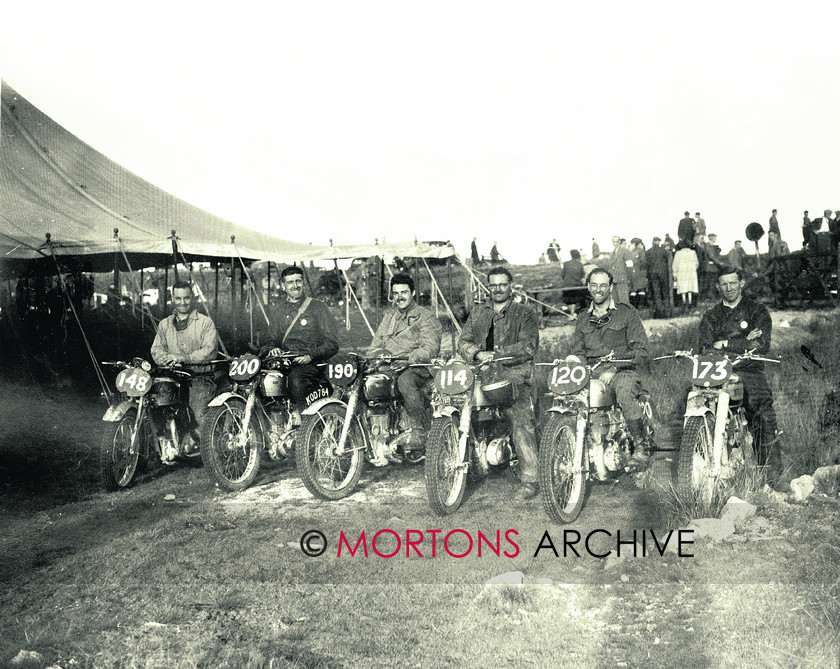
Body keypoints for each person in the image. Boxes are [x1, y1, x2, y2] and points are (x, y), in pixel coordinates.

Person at [458, 266, 540, 500]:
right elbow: (463, 341)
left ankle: (530, 479)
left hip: (515, 372)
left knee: (518, 415)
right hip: (482, 370)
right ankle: (467, 463)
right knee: (458, 403)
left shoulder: (524, 312)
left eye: (502, 284)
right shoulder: (478, 313)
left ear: (510, 285)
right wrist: (476, 353)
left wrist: (496, 354)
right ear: (488, 287)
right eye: (493, 285)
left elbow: (528, 346)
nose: (497, 289)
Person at [699, 267, 783, 483]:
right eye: (724, 284)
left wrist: (725, 343)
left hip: (749, 369)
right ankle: (700, 466)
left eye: (733, 283)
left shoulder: (757, 311)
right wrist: (744, 343)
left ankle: (772, 476)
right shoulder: (711, 316)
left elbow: (760, 345)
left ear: (741, 283)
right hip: (718, 370)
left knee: (762, 410)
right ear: (718, 287)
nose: (729, 288)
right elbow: (706, 348)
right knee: (696, 404)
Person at [571, 268, 651, 467]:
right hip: (591, 371)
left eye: (603, 285)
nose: (598, 290)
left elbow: (640, 349)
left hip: (623, 370)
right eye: (594, 285)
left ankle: (641, 446)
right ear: (588, 287)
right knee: (569, 398)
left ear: (611, 288)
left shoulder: (626, 312)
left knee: (624, 393)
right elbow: (578, 350)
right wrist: (579, 366)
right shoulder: (582, 317)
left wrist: (614, 367)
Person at [369, 273, 442, 451]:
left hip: (418, 367)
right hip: (388, 366)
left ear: (413, 293)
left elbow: (430, 348)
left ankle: (419, 431)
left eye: (404, 292)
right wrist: (372, 359)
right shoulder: (389, 318)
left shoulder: (426, 317)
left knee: (405, 381)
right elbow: (375, 345)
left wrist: (408, 360)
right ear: (391, 295)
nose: (399, 297)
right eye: (395, 293)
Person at [151, 280, 219, 452]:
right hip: (172, 377)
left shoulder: (205, 323)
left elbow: (209, 351)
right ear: (172, 298)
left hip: (199, 377)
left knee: (199, 413)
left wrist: (182, 358)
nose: (182, 303)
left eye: (186, 298)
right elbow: (156, 349)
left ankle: (211, 450)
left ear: (193, 298)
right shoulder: (165, 324)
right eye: (178, 298)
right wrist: (165, 359)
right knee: (155, 406)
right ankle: (166, 444)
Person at [264, 265, 339, 412]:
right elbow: (270, 339)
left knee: (297, 380)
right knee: (264, 382)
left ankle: (303, 420)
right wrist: (273, 349)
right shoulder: (278, 311)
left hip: (311, 364)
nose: (295, 286)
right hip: (285, 362)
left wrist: (311, 355)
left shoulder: (318, 307)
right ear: (283, 286)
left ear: (303, 283)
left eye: (298, 281)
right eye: (290, 282)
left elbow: (332, 343)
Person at [645, 236, 671, 318]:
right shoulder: (663, 251)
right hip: (663, 274)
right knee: (665, 292)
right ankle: (667, 313)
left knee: (656, 293)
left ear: (653, 242)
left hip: (653, 274)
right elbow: (667, 262)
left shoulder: (648, 251)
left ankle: (658, 312)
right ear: (658, 242)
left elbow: (647, 264)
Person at [605, 235, 632, 305]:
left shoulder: (625, 251)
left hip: (622, 280)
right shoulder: (612, 253)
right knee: (615, 302)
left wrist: (629, 278)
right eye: (613, 242)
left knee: (624, 301)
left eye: (616, 242)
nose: (615, 244)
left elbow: (629, 266)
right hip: (614, 280)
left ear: (619, 242)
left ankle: (626, 315)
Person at [673, 244, 699, 312]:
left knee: (683, 288)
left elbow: (675, 264)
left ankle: (684, 303)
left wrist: (675, 273)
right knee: (690, 288)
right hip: (691, 273)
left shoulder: (678, 253)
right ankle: (690, 303)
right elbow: (696, 264)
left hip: (682, 273)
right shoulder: (693, 253)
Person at [561, 249, 586, 316]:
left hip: (567, 285)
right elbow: (582, 276)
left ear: (571, 255)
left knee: (569, 299)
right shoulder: (580, 265)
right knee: (576, 298)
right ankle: (573, 313)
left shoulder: (566, 264)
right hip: (577, 286)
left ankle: (572, 313)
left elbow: (563, 275)